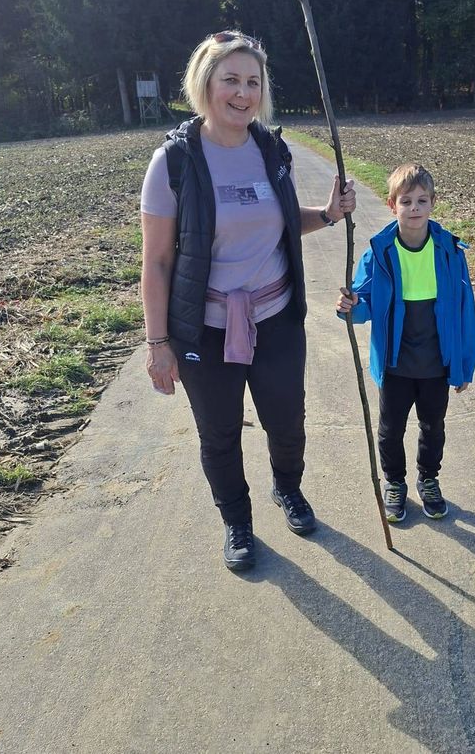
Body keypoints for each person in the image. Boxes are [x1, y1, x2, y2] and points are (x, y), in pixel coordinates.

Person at [140, 31, 355, 571]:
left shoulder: (271, 149)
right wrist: (158, 343)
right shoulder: (174, 163)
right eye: (230, 80)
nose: (242, 93)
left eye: (252, 82)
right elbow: (158, 261)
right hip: (205, 328)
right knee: (219, 432)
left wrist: (327, 215)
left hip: (276, 318)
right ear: (205, 84)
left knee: (287, 423)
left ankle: (288, 490)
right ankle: (237, 520)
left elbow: (281, 225)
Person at [336, 164, 475, 522]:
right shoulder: (380, 253)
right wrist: (350, 308)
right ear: (391, 205)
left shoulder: (449, 252)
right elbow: (363, 305)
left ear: (433, 203)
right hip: (396, 363)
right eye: (406, 201)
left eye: (422, 200)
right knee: (390, 429)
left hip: (436, 363)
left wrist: (463, 365)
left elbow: (464, 313)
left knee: (434, 426)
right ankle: (394, 483)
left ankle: (429, 479)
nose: (414, 208)